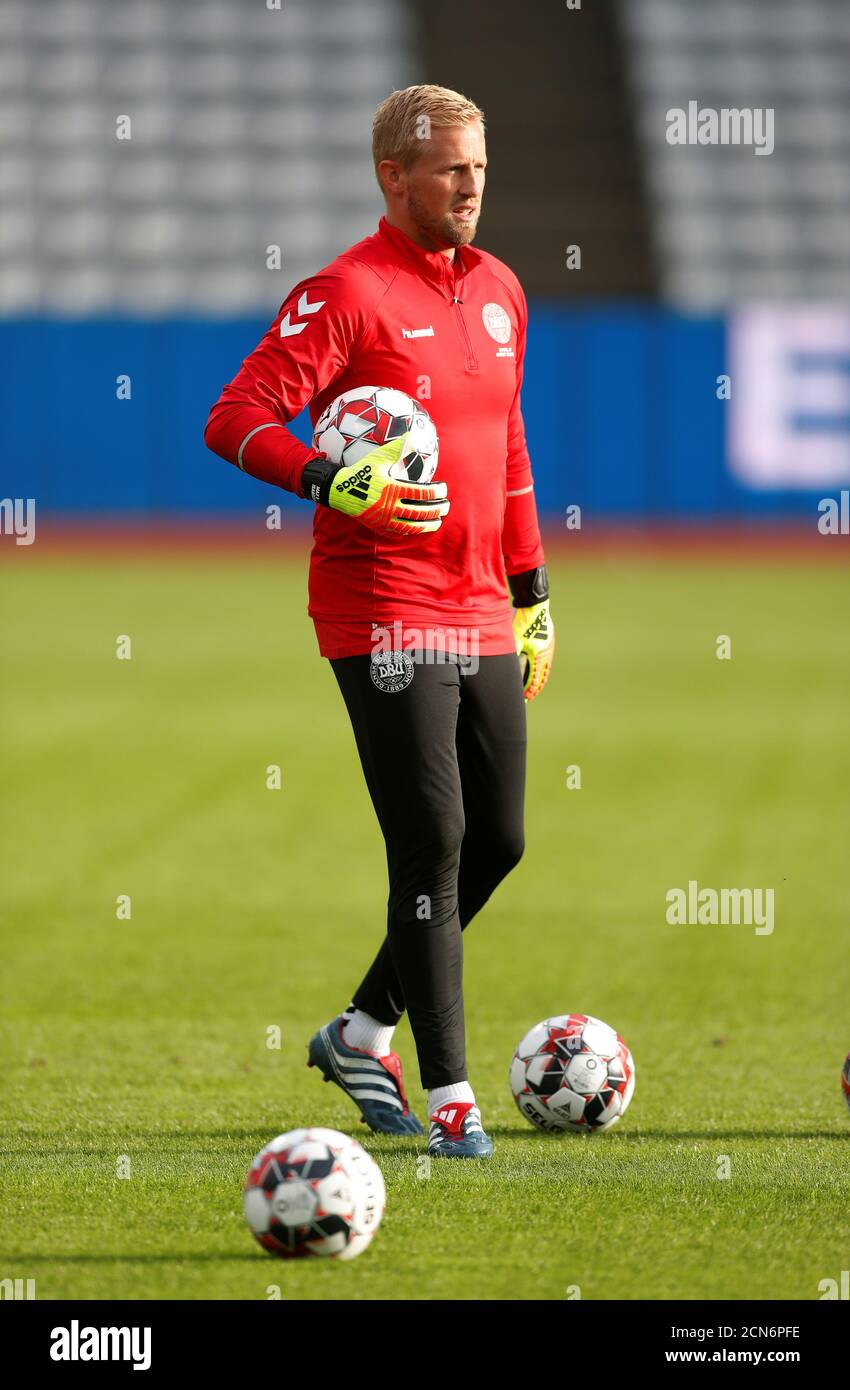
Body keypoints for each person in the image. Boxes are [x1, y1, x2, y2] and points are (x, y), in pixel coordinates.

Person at [204, 84, 554, 1159]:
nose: (471, 186)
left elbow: (504, 448)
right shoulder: (344, 293)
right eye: (451, 169)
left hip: (480, 599)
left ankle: (361, 1030)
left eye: (480, 168)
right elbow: (235, 416)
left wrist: (534, 595)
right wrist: (325, 477)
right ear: (392, 177)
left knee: (498, 838)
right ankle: (451, 1101)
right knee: (433, 842)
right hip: (381, 605)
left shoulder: (500, 291)